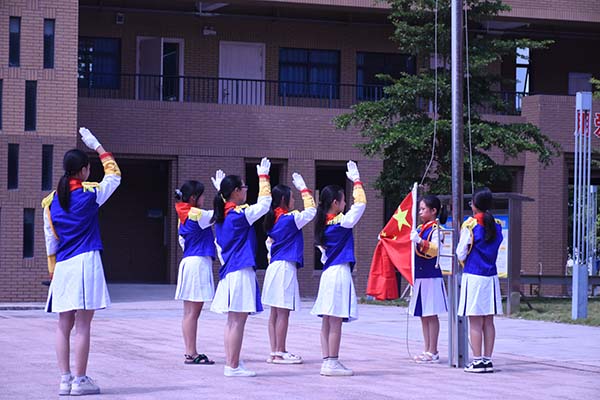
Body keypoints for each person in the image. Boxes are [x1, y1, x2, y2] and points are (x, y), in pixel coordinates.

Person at [42, 127, 121, 396]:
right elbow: (114, 176)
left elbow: (50, 242)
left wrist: (53, 273)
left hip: (63, 266)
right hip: (85, 262)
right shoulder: (90, 195)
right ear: (85, 170)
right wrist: (98, 146)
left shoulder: (51, 203)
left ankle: (64, 380)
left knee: (63, 325)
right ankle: (80, 380)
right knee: (84, 325)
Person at [209, 158, 272, 377]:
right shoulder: (237, 215)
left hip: (231, 271)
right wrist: (264, 177)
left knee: (232, 321)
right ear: (236, 192)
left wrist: (221, 190)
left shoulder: (222, 215)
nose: (246, 190)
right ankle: (232, 366)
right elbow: (264, 205)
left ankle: (233, 362)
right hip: (240, 270)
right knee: (237, 321)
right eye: (244, 187)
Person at [311, 161, 366, 377]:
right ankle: (332, 361)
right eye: (344, 200)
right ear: (335, 203)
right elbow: (360, 205)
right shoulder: (341, 222)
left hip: (328, 274)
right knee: (335, 321)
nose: (346, 203)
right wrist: (358, 181)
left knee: (327, 319)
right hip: (338, 273)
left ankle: (328, 360)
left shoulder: (323, 223)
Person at [262, 173, 316, 364]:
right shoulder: (289, 219)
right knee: (283, 312)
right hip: (285, 267)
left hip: (274, 267)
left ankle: (274, 351)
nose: (294, 200)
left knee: (274, 313)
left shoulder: (272, 220)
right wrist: (304, 189)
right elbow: (311, 212)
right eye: (292, 197)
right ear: (284, 200)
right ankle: (280, 351)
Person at [456, 188, 503, 373]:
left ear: (475, 205)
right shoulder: (497, 225)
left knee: (475, 321)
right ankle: (487, 359)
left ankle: (477, 361)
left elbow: (460, 252)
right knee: (488, 321)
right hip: (491, 277)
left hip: (474, 275)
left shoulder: (471, 225)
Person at [174, 179, 217, 365]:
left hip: (188, 262)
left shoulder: (182, 215)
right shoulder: (198, 214)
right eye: (202, 195)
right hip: (198, 263)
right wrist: (222, 191)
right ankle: (191, 353)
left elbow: (182, 242)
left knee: (188, 312)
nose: (204, 198)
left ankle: (189, 351)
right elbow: (221, 214)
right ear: (193, 197)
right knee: (193, 313)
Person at [409, 195, 449, 363]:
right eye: (419, 209)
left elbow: (434, 250)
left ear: (433, 211)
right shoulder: (420, 228)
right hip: (420, 276)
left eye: (423, 209)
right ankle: (427, 349)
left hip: (431, 276)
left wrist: (419, 241)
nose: (420, 212)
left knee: (431, 314)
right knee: (423, 315)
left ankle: (433, 350)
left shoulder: (436, 229)